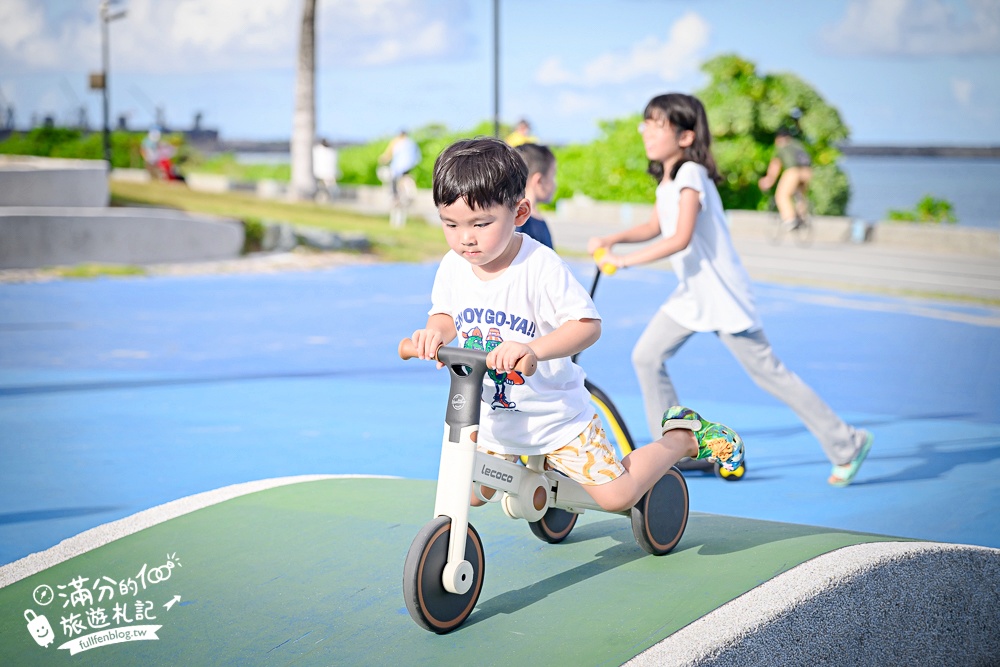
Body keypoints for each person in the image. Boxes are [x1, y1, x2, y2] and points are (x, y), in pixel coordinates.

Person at [409, 137, 744, 513]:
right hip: (492, 417)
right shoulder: (454, 266)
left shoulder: (540, 267)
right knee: (468, 491)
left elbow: (587, 325)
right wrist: (435, 332)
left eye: (481, 223)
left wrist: (532, 349)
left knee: (617, 497)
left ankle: (682, 437)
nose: (465, 238)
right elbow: (446, 313)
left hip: (554, 417)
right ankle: (544, 488)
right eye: (450, 224)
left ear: (520, 213)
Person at [587, 93, 873, 487]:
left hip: (722, 294)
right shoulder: (669, 178)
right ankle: (671, 448)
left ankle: (847, 443)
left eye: (657, 125)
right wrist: (612, 238)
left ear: (686, 136)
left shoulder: (691, 174)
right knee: (647, 356)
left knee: (771, 375)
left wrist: (624, 260)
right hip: (692, 294)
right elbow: (655, 226)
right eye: (646, 123)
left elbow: (681, 237)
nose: (646, 132)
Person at [758, 127, 813, 229]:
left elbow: (775, 165)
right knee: (800, 196)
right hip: (807, 172)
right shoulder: (798, 144)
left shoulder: (782, 146)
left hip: (793, 171)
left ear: (778, 138)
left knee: (781, 196)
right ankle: (802, 216)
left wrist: (769, 180)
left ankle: (790, 219)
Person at [514, 143, 557, 249]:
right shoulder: (521, 224)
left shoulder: (514, 219)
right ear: (539, 180)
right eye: (553, 175)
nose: (555, 183)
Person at [379, 130, 421, 227]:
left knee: (395, 193)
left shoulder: (396, 142)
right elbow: (417, 158)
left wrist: (382, 160)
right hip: (407, 171)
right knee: (406, 192)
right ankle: (405, 198)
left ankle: (395, 198)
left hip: (396, 171)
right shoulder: (412, 143)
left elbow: (387, 156)